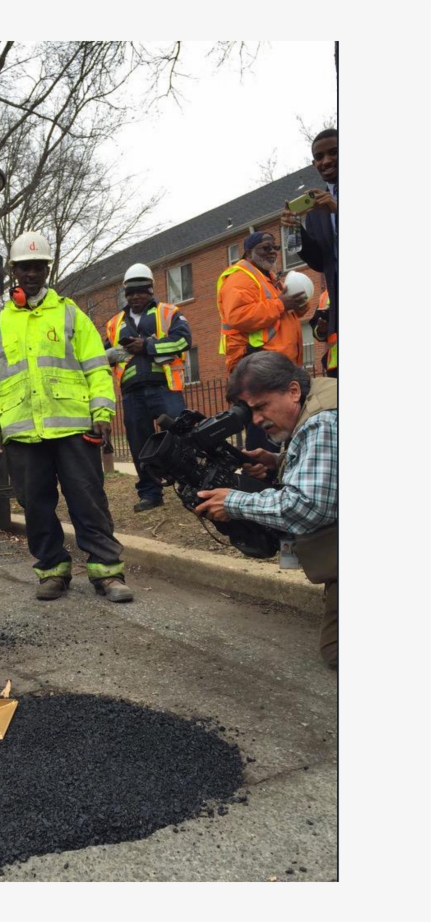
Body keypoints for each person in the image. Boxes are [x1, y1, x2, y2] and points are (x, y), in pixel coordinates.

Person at [0, 231, 133, 603]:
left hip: (73, 426)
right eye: (24, 268)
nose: (31, 274)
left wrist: (102, 409)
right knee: (36, 505)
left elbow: (96, 366)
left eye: (38, 267)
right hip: (22, 432)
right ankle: (52, 571)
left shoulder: (70, 315)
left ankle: (107, 573)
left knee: (87, 499)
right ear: (14, 271)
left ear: (47, 269)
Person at [195, 353, 338, 668]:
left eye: (260, 407)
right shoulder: (320, 396)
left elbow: (308, 506)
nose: (256, 420)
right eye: (251, 412)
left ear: (292, 391)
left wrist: (232, 502)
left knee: (336, 651)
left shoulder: (321, 421)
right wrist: (277, 462)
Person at [103, 263, 192, 511]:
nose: (135, 297)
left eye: (140, 291)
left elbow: (184, 340)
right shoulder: (115, 323)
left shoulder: (168, 312)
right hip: (132, 393)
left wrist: (148, 347)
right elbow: (100, 354)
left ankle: (189, 484)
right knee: (139, 444)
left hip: (165, 386)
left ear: (151, 290)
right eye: (130, 293)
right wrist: (111, 354)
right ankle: (150, 493)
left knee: (179, 437)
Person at [216, 231, 310, 451]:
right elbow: (238, 316)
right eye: (265, 248)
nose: (272, 252)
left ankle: (278, 477)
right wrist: (281, 304)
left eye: (275, 248)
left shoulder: (269, 279)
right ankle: (261, 480)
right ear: (249, 252)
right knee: (264, 426)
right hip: (255, 364)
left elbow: (281, 316)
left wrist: (297, 304)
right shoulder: (239, 276)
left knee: (281, 428)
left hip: (276, 366)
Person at [282, 128, 338, 377]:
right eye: (319, 157)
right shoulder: (316, 209)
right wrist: (297, 230)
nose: (325, 161)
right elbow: (320, 261)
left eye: (334, 152)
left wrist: (337, 209)